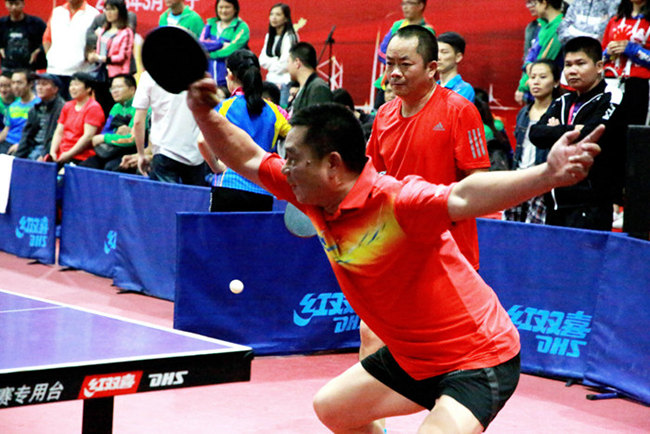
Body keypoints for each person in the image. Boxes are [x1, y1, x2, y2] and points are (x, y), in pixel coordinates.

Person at [188, 75, 602, 432]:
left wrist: (547, 174)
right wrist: (203, 113)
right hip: (412, 358)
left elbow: (464, 195)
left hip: (476, 358)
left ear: (332, 165)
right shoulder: (311, 192)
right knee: (333, 408)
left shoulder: (398, 201)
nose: (285, 168)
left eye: (293, 159)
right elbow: (247, 155)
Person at [363, 27, 492, 402]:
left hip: (448, 252)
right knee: (371, 333)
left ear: (432, 68)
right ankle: (370, 422)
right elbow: (372, 177)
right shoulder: (384, 115)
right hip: (396, 249)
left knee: (448, 355)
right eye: (390, 63)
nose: (394, 73)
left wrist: (438, 211)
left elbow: (478, 183)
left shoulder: (459, 110)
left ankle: (450, 417)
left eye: (405, 64)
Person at [530, 36, 623, 230]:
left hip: (590, 203)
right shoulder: (562, 101)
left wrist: (556, 130)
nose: (572, 70)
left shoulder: (611, 96)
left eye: (580, 64)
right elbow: (536, 134)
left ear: (599, 66)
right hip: (555, 201)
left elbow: (593, 134)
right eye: (568, 65)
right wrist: (575, 129)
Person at [205, 49, 290, 211]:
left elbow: (202, 141)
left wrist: (216, 167)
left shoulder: (223, 108)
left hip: (228, 187)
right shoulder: (276, 112)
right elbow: (297, 137)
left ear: (230, 75)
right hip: (263, 190)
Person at [504, 59, 561, 223]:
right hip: (519, 177)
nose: (536, 82)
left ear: (556, 82)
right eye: (532, 77)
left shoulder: (558, 112)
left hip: (542, 180)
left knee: (535, 228)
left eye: (543, 77)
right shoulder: (523, 112)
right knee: (510, 226)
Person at [133, 71, 205, 185]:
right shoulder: (197, 72)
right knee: (195, 196)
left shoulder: (149, 75)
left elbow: (138, 121)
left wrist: (141, 154)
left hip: (164, 151)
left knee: (165, 197)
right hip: (196, 154)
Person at [373, 0, 434, 108]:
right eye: (403, 3)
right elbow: (382, 51)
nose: (405, 7)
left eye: (409, 3)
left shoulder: (427, 31)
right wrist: (395, 62)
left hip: (411, 83)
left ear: (420, 5)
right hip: (388, 82)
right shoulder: (397, 25)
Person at [602, 0, 650, 126]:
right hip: (610, 80)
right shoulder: (615, 20)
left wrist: (632, 50)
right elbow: (600, 57)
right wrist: (608, 52)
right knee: (606, 127)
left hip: (639, 84)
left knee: (633, 131)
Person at [43, 0, 99, 100]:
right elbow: (47, 39)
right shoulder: (57, 12)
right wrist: (50, 58)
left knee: (78, 106)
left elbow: (98, 42)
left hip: (80, 72)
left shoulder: (93, 14)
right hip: (55, 71)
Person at [86, 0, 134, 115]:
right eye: (107, 9)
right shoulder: (103, 30)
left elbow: (123, 57)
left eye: (112, 9)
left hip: (117, 76)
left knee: (114, 107)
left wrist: (101, 58)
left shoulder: (126, 32)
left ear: (120, 11)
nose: (109, 13)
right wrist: (92, 56)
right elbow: (99, 51)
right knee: (101, 106)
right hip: (101, 75)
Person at [80, 74, 136, 171]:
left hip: (132, 151)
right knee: (85, 166)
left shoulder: (140, 109)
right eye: (112, 88)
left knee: (111, 167)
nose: (114, 91)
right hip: (112, 150)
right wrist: (114, 134)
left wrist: (105, 138)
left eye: (119, 87)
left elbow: (131, 139)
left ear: (132, 89)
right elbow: (105, 131)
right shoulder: (116, 107)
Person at [49, 72, 105, 165]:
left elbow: (88, 136)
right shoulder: (67, 105)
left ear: (88, 88)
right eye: (71, 85)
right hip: (62, 154)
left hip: (82, 156)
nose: (72, 88)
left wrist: (68, 154)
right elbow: (59, 131)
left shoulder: (93, 107)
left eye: (77, 85)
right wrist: (52, 152)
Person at [515, 0, 564, 105]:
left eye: (535, 3)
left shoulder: (560, 27)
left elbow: (543, 62)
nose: (533, 7)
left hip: (549, 94)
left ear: (544, 3)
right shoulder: (543, 26)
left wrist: (524, 86)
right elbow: (530, 57)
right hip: (531, 89)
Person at [13, 73, 65, 160]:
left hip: (49, 150)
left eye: (44, 84)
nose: (40, 87)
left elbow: (56, 136)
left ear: (55, 89)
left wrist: (44, 155)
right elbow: (27, 135)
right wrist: (17, 158)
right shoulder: (34, 109)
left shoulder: (62, 109)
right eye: (38, 84)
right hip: (33, 148)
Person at [200, 0, 250, 87]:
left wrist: (210, 54)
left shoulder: (241, 27)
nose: (223, 11)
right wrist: (221, 45)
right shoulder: (210, 25)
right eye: (221, 7)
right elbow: (202, 45)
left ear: (235, 9)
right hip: (208, 81)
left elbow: (232, 49)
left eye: (227, 7)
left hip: (231, 82)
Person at [259, 3, 298, 108]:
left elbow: (285, 64)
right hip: (270, 81)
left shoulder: (290, 37)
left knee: (282, 112)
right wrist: (276, 60)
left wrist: (271, 63)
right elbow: (262, 60)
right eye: (272, 14)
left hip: (284, 83)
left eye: (278, 14)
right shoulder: (269, 36)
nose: (274, 17)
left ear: (286, 18)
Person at [0, 0, 46, 72]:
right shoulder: (2, 23)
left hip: (30, 67)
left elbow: (49, 39)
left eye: (17, 4)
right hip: (7, 67)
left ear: (23, 4)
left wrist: (39, 50)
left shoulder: (36, 23)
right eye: (11, 4)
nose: (14, 7)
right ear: (6, 4)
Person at [287, 42, 332, 115]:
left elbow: (319, 120)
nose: (287, 67)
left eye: (288, 62)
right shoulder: (303, 88)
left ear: (297, 63)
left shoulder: (318, 88)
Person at [0, 69, 37, 154]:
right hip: (7, 143)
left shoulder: (38, 105)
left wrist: (20, 144)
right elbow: (6, 130)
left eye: (19, 83)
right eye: (13, 83)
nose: (15, 86)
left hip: (25, 145)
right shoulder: (12, 106)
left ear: (30, 84)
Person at [436, 31, 475, 102]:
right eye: (436, 52)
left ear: (458, 57)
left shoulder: (464, 89)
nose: (438, 57)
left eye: (444, 52)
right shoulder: (432, 87)